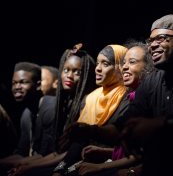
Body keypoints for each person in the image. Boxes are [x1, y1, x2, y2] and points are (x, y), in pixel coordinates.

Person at [62, 14, 173, 176]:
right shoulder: (151, 83)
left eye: (161, 39)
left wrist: (162, 124)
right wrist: (90, 130)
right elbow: (121, 128)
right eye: (151, 41)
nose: (152, 46)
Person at [8, 44, 96, 176]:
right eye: (66, 70)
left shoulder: (87, 103)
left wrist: (29, 167)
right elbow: (56, 152)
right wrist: (27, 165)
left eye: (77, 72)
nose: (69, 76)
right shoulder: (66, 106)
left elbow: (71, 154)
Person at [75, 41, 154, 176]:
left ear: (149, 67)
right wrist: (106, 151)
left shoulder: (142, 98)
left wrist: (101, 167)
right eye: (124, 63)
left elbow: (146, 153)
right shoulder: (132, 96)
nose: (124, 67)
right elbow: (131, 149)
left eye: (132, 62)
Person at [52, 44, 129, 176]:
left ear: (120, 67)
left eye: (105, 64)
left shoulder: (128, 97)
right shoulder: (91, 98)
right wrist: (59, 169)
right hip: (77, 161)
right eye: (98, 63)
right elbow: (79, 141)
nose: (97, 69)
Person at [0, 62, 56, 174]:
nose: (17, 87)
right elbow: (22, 151)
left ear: (38, 85)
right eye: (14, 83)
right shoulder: (26, 113)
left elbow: (48, 154)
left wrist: (22, 166)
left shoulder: (50, 108)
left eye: (23, 82)